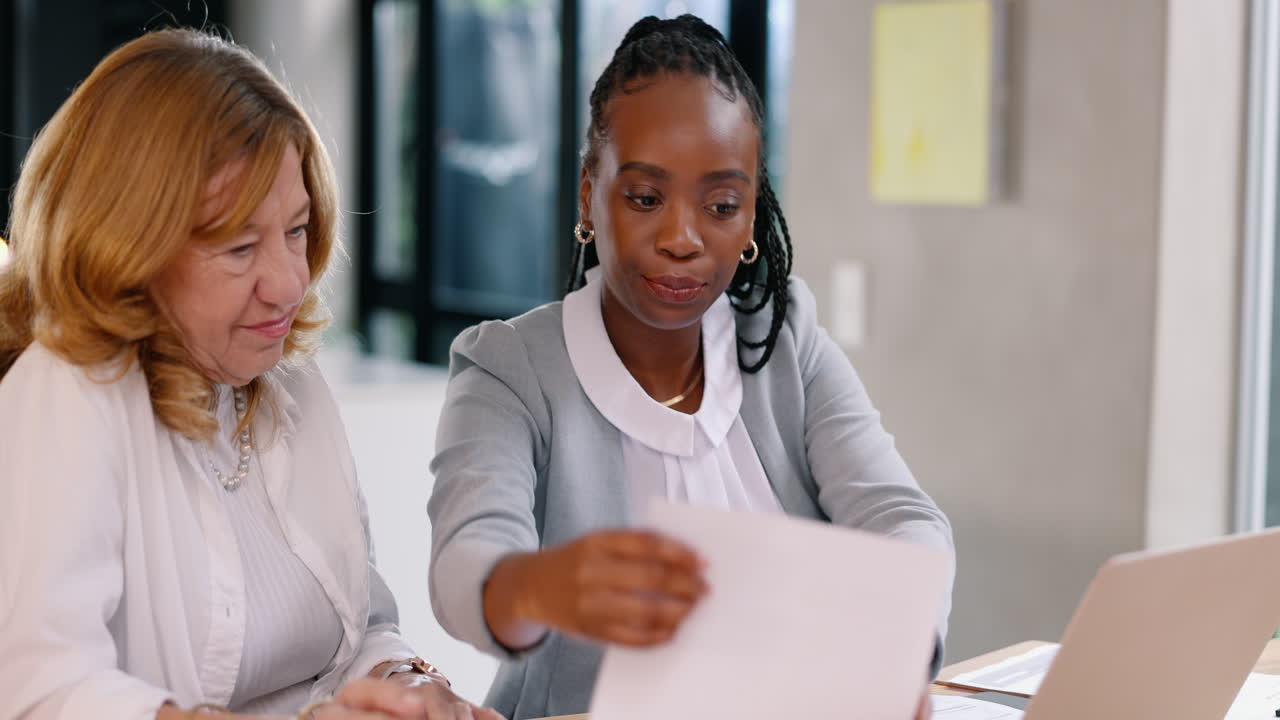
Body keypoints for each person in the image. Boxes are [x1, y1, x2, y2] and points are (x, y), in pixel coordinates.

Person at [427, 14, 954, 720]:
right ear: (590, 194)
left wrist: (893, 648)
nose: (682, 238)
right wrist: (539, 586)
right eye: (645, 198)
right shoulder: (508, 369)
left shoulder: (783, 338)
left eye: (721, 205)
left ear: (750, 217)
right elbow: (466, 565)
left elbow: (902, 518)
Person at [0, 29, 501, 720]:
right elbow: (40, 692)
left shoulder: (289, 383)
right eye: (239, 247)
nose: (290, 283)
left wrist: (406, 682)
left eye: (296, 230)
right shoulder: (70, 395)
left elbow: (361, 626)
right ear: (128, 251)